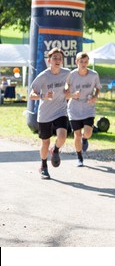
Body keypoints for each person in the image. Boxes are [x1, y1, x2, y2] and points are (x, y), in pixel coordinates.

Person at [29, 47, 71, 179]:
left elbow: (69, 88)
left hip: (60, 110)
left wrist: (68, 92)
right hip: (45, 113)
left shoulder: (67, 73)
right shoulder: (43, 76)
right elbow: (32, 94)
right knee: (45, 143)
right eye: (55, 58)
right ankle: (43, 166)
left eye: (60, 58)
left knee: (62, 136)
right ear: (49, 60)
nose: (57, 60)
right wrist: (43, 96)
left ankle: (56, 150)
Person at [67, 52, 102, 167]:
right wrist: (72, 95)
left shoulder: (93, 75)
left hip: (88, 107)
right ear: (77, 62)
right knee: (76, 134)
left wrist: (95, 97)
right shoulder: (71, 75)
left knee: (87, 132)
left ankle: (85, 138)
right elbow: (65, 92)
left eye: (86, 62)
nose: (83, 64)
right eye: (81, 61)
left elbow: (98, 88)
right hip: (74, 108)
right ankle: (79, 158)